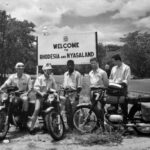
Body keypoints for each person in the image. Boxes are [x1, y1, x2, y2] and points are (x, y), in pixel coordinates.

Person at [0, 62, 32, 129]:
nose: (20, 69)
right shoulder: (12, 76)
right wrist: (1, 88)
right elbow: (6, 84)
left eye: (22, 68)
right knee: (5, 99)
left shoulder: (27, 77)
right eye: (19, 68)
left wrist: (26, 93)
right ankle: (6, 115)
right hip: (13, 94)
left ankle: (24, 120)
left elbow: (30, 88)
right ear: (16, 69)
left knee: (25, 100)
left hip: (23, 94)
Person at [29, 63, 57, 134]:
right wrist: (41, 93)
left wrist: (55, 92)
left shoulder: (51, 78)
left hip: (49, 96)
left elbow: (55, 88)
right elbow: (35, 88)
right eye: (49, 70)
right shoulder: (40, 78)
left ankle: (55, 125)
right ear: (44, 71)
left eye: (50, 70)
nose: (50, 71)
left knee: (57, 106)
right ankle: (31, 128)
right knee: (37, 109)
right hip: (40, 96)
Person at [109, 54, 131, 124]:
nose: (113, 63)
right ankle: (115, 124)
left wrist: (119, 85)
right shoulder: (113, 68)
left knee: (123, 106)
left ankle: (125, 124)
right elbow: (111, 78)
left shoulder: (126, 68)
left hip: (122, 89)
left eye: (113, 61)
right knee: (113, 107)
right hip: (113, 89)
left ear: (118, 60)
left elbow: (127, 80)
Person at [89, 57, 109, 129]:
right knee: (94, 109)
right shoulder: (90, 73)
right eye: (91, 63)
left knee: (100, 109)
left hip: (100, 91)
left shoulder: (102, 72)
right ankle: (97, 125)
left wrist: (103, 92)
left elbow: (106, 84)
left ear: (97, 63)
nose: (92, 64)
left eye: (94, 63)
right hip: (92, 91)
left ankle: (103, 126)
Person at [63, 60, 82, 130]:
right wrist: (64, 95)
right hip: (67, 94)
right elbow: (64, 85)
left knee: (75, 111)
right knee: (67, 111)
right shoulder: (65, 74)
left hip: (74, 93)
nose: (70, 66)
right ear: (67, 66)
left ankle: (76, 126)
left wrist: (77, 95)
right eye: (68, 65)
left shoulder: (77, 74)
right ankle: (70, 126)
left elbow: (79, 86)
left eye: (71, 65)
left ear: (74, 65)